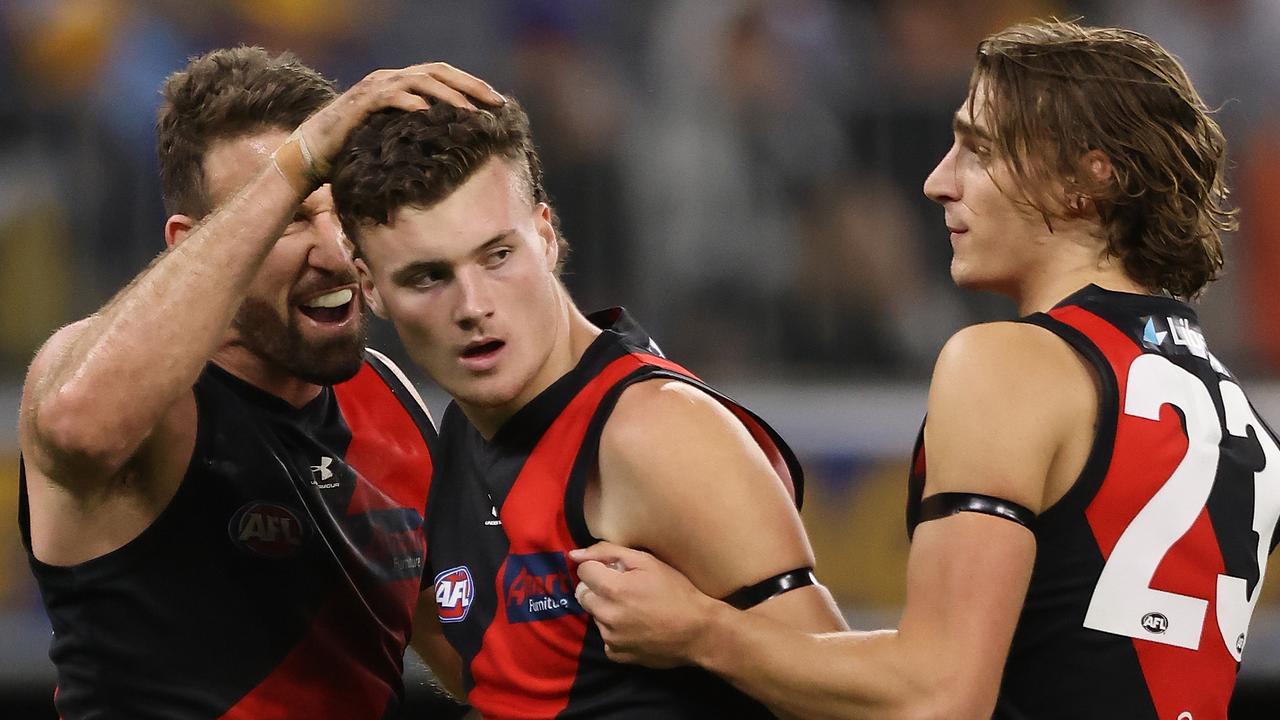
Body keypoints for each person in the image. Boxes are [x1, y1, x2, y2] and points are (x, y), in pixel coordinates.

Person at [570, 19, 1280, 720]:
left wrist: (699, 630)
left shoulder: (1011, 362)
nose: (940, 181)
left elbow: (940, 695)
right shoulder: (1246, 424)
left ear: (1084, 181)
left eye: (978, 148)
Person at [16, 47, 503, 719]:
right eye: (290, 217)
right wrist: (296, 165)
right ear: (192, 242)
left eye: (342, 211)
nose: (336, 254)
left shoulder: (386, 395)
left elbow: (485, 661)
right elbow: (81, 425)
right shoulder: (125, 393)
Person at [329, 98, 848, 718]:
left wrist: (707, 634)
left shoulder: (651, 431)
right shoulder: (466, 435)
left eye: (498, 256)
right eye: (426, 277)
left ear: (546, 237)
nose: (472, 305)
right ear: (369, 288)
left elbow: (855, 702)